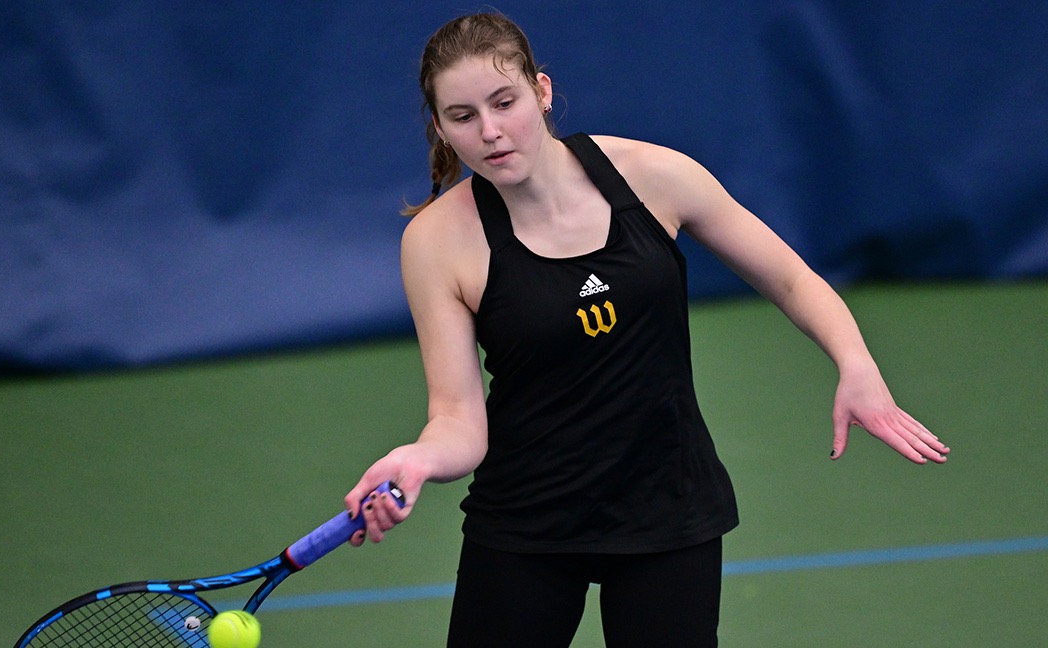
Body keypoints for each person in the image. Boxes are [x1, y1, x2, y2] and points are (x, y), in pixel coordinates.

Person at [344, 11, 949, 647]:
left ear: (541, 91)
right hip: (527, 522)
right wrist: (420, 457)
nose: (491, 132)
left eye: (504, 102)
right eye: (463, 116)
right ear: (440, 127)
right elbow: (458, 419)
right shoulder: (437, 241)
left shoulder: (654, 176)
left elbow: (791, 279)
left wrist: (855, 362)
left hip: (669, 509)